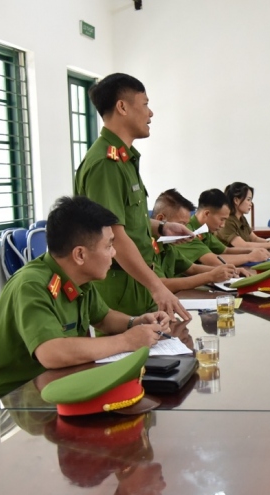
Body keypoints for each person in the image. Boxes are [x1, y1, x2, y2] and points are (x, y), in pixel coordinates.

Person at [0, 196, 169, 414]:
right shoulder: (31, 285)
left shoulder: (77, 277)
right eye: (109, 245)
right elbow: (52, 353)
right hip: (5, 405)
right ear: (80, 254)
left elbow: (104, 318)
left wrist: (136, 322)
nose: (114, 253)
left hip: (50, 389)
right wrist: (127, 341)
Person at [73, 73, 190, 320]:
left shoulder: (123, 159)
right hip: (121, 288)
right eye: (145, 104)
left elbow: (127, 219)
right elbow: (114, 235)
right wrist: (157, 286)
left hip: (137, 282)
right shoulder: (106, 163)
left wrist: (161, 228)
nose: (151, 113)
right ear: (122, 107)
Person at [150, 189, 252, 291]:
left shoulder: (168, 245)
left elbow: (192, 268)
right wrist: (210, 276)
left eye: (186, 225)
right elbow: (161, 284)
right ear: (160, 220)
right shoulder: (147, 246)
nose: (186, 231)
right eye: (181, 224)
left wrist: (230, 271)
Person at [162, 188, 269, 267]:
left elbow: (225, 250)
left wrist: (254, 250)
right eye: (222, 219)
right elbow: (213, 261)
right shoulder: (188, 230)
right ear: (207, 214)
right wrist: (250, 256)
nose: (223, 225)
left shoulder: (204, 230)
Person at [217, 182, 270, 249]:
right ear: (236, 200)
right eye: (248, 200)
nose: (250, 204)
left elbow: (254, 239)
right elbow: (242, 245)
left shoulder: (241, 218)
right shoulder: (227, 220)